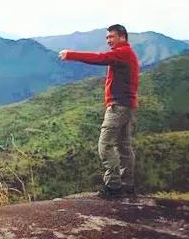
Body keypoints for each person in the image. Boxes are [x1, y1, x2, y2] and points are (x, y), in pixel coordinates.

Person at [58, 24, 140, 199]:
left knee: (105, 145)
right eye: (107, 37)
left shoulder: (123, 53)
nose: (108, 40)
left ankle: (114, 186)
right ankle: (127, 185)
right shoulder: (127, 53)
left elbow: (99, 58)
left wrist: (71, 54)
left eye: (112, 37)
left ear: (123, 37)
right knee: (124, 146)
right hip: (127, 105)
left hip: (118, 106)